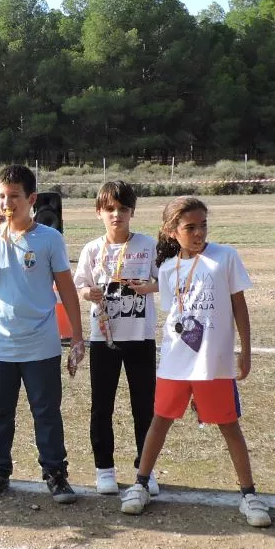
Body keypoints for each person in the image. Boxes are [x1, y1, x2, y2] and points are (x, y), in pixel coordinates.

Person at [119, 196, 271, 528]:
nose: (199, 232)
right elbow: (175, 313)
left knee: (229, 425)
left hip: (213, 363)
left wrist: (245, 350)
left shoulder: (225, 257)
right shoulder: (168, 268)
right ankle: (141, 484)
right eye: (191, 227)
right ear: (172, 231)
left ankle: (249, 495)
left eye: (203, 225)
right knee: (159, 421)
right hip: (176, 360)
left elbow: (239, 306)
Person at [0, 165, 85, 503]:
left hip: (41, 343)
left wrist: (77, 335)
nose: (6, 203)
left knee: (46, 411)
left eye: (14, 196)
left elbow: (67, 289)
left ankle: (55, 473)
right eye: (1, 196)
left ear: (31, 198)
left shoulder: (48, 238)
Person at [72, 180, 160, 496]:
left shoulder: (148, 245)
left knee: (144, 407)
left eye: (123, 209)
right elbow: (79, 285)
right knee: (102, 406)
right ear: (99, 212)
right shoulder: (92, 249)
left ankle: (145, 471)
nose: (116, 215)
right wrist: (87, 292)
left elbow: (167, 279)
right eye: (110, 209)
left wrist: (149, 287)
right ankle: (104, 469)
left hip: (140, 337)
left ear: (132, 212)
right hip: (103, 339)